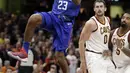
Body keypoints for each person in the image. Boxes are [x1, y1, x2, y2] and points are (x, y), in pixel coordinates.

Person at [7, 0, 81, 73]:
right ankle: (24, 51)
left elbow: (77, 2)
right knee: (33, 18)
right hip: (53, 16)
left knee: (59, 56)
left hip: (65, 23)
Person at [78, 0, 115, 73]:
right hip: (94, 56)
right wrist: (83, 62)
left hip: (105, 55)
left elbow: (104, 34)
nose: (99, 9)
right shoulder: (91, 23)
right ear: (94, 9)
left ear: (105, 9)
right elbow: (81, 41)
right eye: (97, 7)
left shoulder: (107, 19)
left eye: (101, 6)